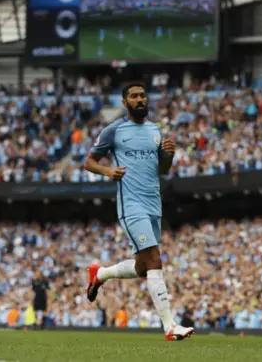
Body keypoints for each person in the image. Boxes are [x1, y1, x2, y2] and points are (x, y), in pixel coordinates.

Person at [83, 82, 194, 341]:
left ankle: (100, 274)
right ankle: (169, 325)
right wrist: (109, 171)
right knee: (155, 259)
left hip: (154, 203)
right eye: (134, 96)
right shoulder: (114, 130)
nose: (140, 99)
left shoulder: (155, 131)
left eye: (143, 95)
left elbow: (162, 170)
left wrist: (169, 156)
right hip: (131, 205)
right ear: (125, 103)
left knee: (144, 268)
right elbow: (88, 162)